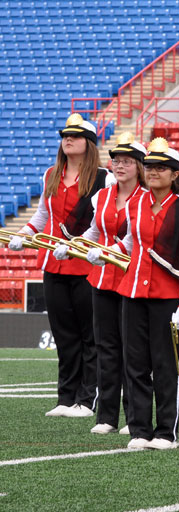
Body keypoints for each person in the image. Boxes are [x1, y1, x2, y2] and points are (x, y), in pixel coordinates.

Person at [94, 137, 179, 449]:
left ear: (175, 175)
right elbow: (130, 242)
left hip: (167, 298)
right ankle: (140, 430)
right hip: (133, 293)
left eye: (162, 167)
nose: (154, 171)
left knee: (165, 366)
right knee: (135, 365)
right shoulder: (136, 203)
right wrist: (104, 252)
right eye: (151, 166)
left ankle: (166, 432)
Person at [7, 113, 115, 418]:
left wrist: (87, 248)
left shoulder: (102, 178)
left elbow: (105, 220)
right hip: (53, 264)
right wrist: (24, 235)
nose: (68, 139)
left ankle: (86, 399)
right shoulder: (51, 174)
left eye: (76, 135)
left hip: (86, 265)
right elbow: (42, 216)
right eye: (65, 135)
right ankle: (66, 398)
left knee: (88, 335)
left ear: (89, 143)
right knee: (64, 336)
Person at [54, 132, 147, 434]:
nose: (119, 166)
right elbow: (94, 230)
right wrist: (73, 246)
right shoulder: (102, 195)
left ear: (139, 166)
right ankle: (106, 416)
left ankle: (134, 415)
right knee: (106, 348)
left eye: (127, 161)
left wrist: (109, 252)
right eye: (116, 160)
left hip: (131, 278)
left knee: (132, 352)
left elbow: (137, 239)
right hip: (102, 278)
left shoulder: (145, 198)